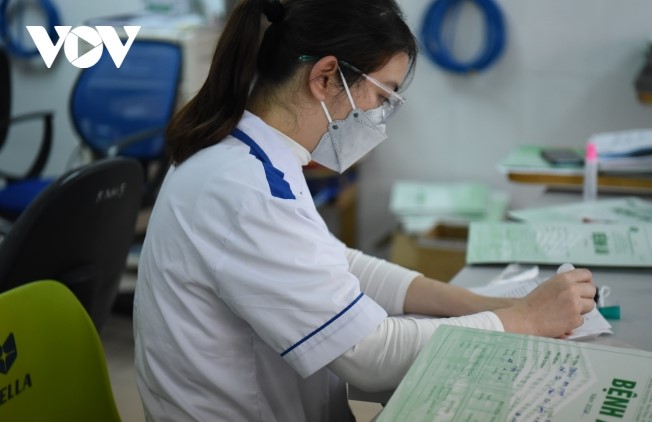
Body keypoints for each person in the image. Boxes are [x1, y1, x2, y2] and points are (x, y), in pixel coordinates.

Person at [133, 0, 597, 420]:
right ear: (325, 77)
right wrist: (524, 321)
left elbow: (337, 264)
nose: (379, 115)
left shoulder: (254, 155)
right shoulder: (243, 188)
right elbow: (368, 355)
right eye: (381, 95)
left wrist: (480, 304)